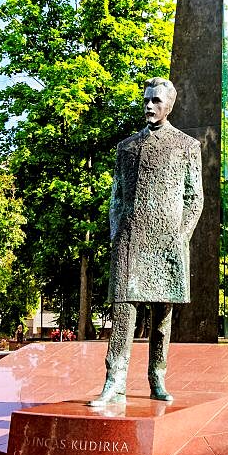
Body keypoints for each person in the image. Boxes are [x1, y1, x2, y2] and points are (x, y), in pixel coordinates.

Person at [89, 77, 203, 406]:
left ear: (170, 105)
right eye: (147, 100)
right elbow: (116, 196)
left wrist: (181, 236)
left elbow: (195, 198)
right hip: (130, 238)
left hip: (167, 241)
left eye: (156, 100)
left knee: (162, 316)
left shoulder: (186, 145)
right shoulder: (126, 147)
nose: (150, 105)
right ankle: (115, 380)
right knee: (123, 310)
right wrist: (116, 234)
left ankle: (157, 377)